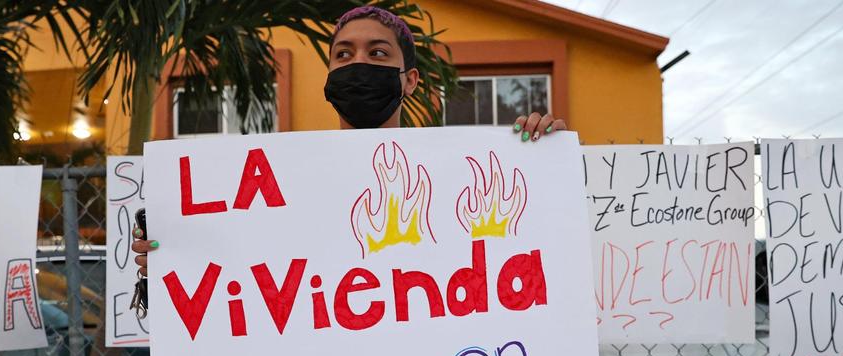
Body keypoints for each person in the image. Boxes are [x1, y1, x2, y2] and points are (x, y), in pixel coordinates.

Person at [130, 5, 566, 276]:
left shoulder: (461, 182)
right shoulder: (278, 187)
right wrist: (174, 266)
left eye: (377, 53)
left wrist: (546, 159)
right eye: (343, 54)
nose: (358, 63)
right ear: (330, 76)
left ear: (410, 80)